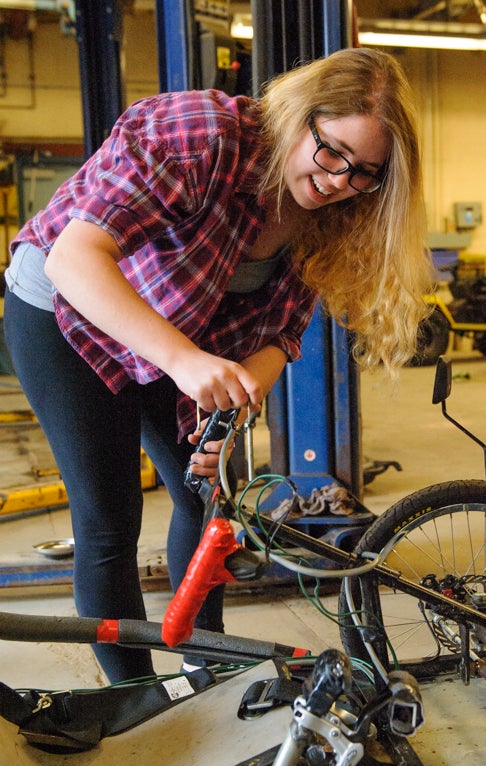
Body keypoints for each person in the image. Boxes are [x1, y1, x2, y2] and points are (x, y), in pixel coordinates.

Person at [3, 47, 431, 684]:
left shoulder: (336, 211)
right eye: (332, 152)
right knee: (111, 516)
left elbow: (282, 330)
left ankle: (207, 665)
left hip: (177, 331)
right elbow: (74, 258)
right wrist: (183, 362)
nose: (342, 180)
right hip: (67, 312)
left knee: (207, 498)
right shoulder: (202, 137)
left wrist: (244, 385)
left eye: (365, 172)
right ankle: (136, 695)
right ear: (297, 117)